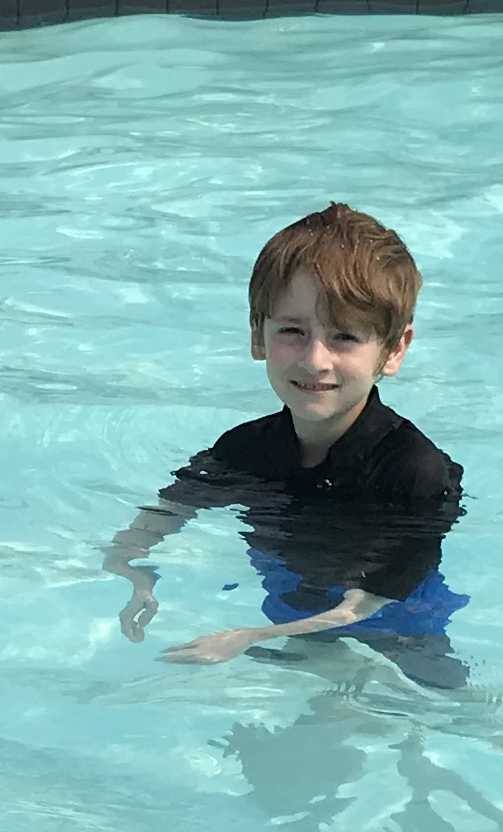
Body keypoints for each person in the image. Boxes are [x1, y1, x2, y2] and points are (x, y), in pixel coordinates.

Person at [103, 201, 470, 692]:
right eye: (293, 332)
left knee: (440, 697)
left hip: (398, 621)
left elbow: (369, 602)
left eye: (344, 337)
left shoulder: (413, 471)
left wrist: (249, 637)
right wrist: (134, 572)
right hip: (292, 596)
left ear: (393, 350)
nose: (315, 360)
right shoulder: (246, 449)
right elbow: (160, 516)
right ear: (258, 335)